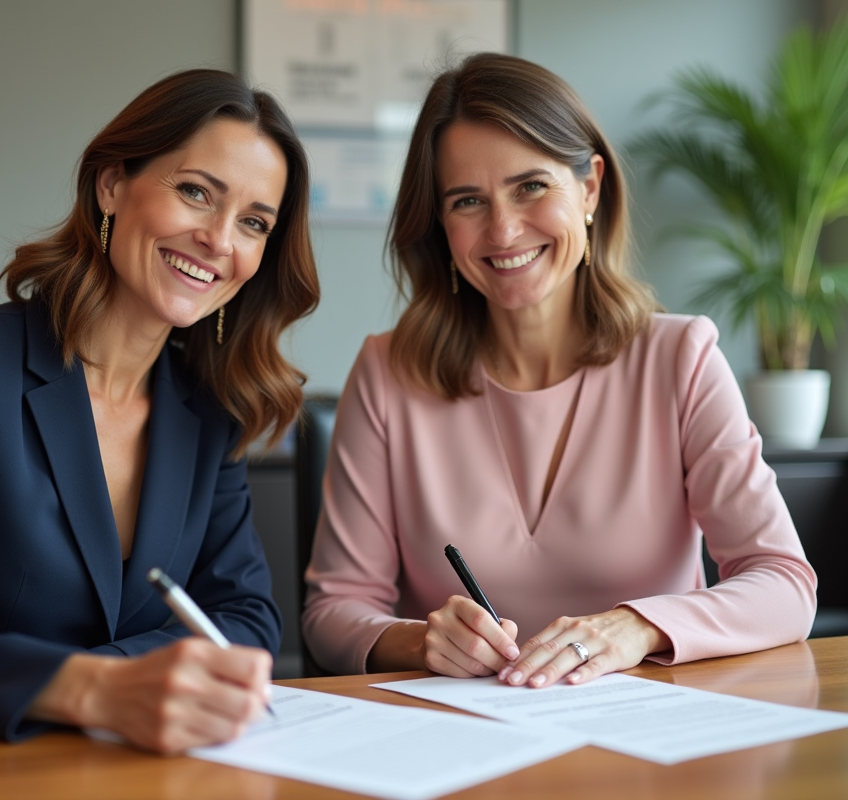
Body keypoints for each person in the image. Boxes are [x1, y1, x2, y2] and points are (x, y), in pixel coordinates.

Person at [0, 69, 319, 753]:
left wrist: (123, 686)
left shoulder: (214, 408)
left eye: (254, 222)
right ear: (111, 183)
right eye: (196, 192)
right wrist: (95, 690)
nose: (219, 239)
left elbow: (246, 617)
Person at [302, 53, 816, 686]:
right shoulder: (387, 372)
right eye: (468, 201)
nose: (504, 229)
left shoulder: (682, 358)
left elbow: (784, 582)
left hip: (650, 750)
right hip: (460, 751)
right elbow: (332, 610)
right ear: (439, 224)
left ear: (590, 189)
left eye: (531, 186)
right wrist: (419, 642)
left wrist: (636, 627)